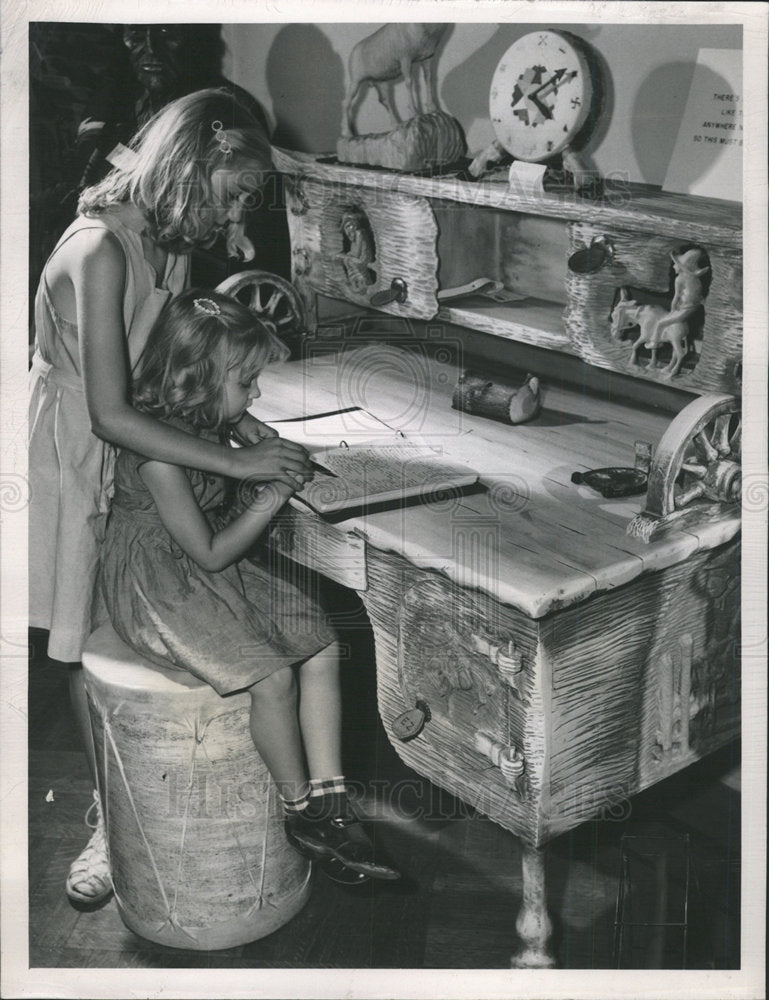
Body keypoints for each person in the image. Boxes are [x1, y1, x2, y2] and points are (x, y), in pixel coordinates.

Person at [29, 87, 314, 906]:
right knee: (82, 640)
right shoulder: (101, 250)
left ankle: (173, 791)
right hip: (73, 450)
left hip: (134, 446)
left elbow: (168, 373)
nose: (237, 217)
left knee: (129, 610)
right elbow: (110, 412)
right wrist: (237, 468)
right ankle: (105, 817)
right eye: (235, 194)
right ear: (199, 161)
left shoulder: (170, 244)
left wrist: (241, 428)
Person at [99, 288, 400, 881]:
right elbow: (210, 555)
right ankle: (301, 810)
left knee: (323, 644)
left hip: (202, 565)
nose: (256, 393)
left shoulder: (206, 414)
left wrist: (250, 429)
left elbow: (240, 437)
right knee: (273, 676)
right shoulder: (160, 456)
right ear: (194, 379)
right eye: (246, 381)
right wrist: (272, 495)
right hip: (159, 582)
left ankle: (334, 800)